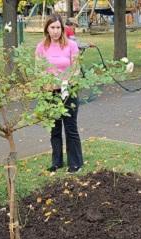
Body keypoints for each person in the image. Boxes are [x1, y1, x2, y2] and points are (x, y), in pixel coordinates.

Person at [35, 14, 83, 174]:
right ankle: (56, 162)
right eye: (52, 27)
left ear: (62, 29)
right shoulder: (41, 47)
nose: (55, 31)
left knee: (70, 127)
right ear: (47, 29)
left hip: (68, 91)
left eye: (58, 27)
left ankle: (75, 162)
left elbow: (75, 69)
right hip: (49, 93)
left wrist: (64, 82)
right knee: (54, 129)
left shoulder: (71, 45)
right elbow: (38, 71)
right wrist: (48, 85)